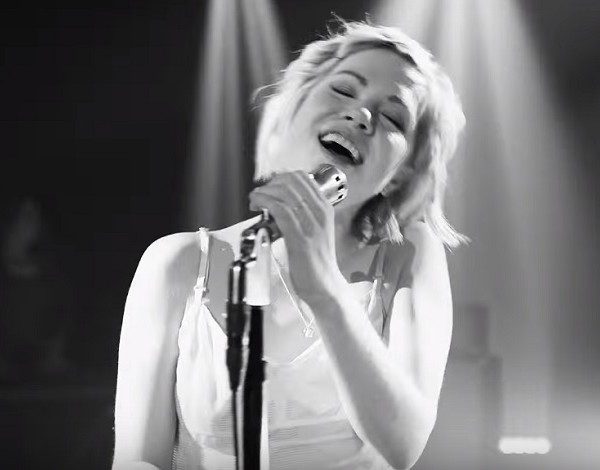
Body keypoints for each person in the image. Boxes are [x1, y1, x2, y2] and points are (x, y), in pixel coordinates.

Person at [112, 19, 468, 470]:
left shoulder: (407, 256)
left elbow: (404, 445)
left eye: (393, 118)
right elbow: (137, 459)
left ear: (401, 172)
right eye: (343, 90)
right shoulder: (178, 263)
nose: (362, 115)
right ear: (295, 108)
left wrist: (323, 287)